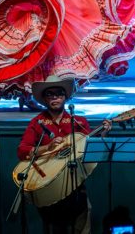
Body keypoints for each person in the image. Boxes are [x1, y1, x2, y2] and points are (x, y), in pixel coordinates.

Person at [17, 77, 112, 234]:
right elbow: (22, 151)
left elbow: (90, 151)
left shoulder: (78, 122)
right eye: (50, 94)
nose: (55, 97)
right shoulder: (37, 122)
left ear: (65, 97)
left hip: (76, 187)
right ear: (44, 99)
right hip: (49, 185)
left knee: (83, 224)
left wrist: (103, 134)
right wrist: (48, 147)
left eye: (59, 94)